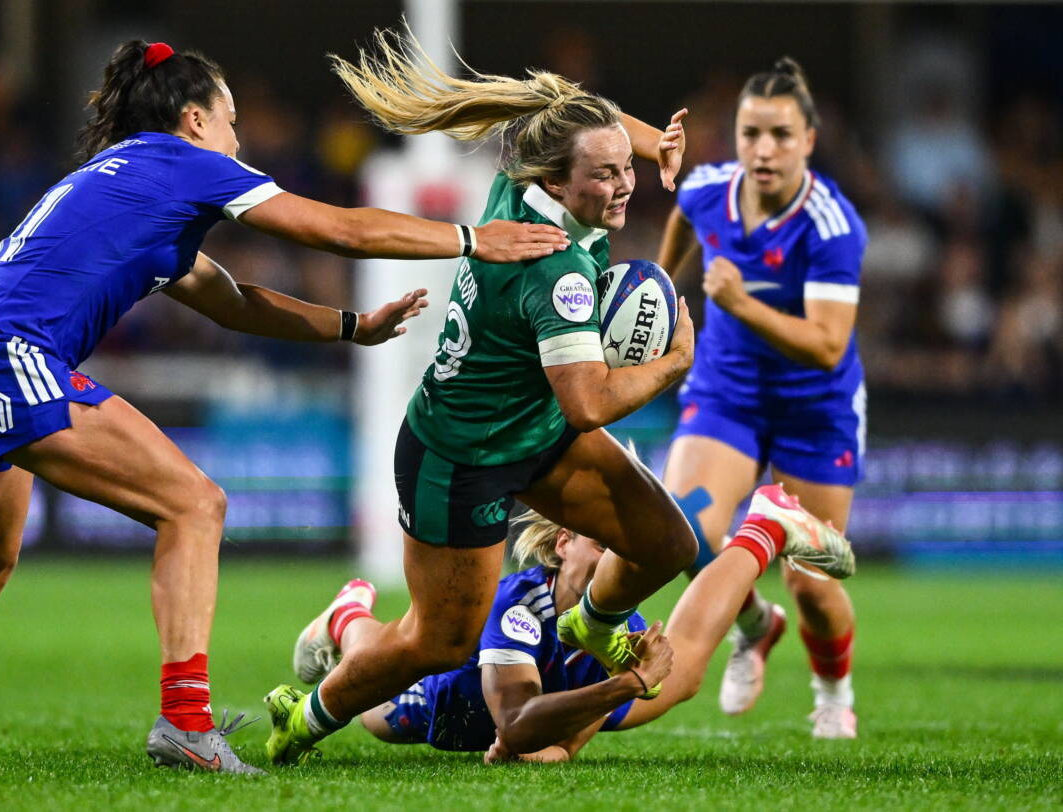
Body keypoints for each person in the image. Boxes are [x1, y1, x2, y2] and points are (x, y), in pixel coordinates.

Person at [0, 39, 570, 773]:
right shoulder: (182, 163)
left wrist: (350, 328)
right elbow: (337, 228)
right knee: (194, 505)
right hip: (4, 357)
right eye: (231, 119)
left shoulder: (126, 184)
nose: (239, 140)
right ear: (194, 120)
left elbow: (233, 303)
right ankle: (185, 722)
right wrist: (472, 239)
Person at [263, 30, 851, 766]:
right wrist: (675, 363)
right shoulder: (557, 274)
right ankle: (309, 713)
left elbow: (583, 111)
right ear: (561, 182)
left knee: (667, 543)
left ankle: (592, 624)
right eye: (603, 176)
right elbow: (590, 406)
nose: (623, 185)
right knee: (439, 638)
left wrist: (648, 145)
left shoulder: (530, 179)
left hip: (530, 432)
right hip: (461, 455)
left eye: (621, 168)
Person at [293, 482, 853, 764]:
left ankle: (766, 526)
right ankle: (348, 615)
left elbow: (557, 740)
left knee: (682, 674)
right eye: (601, 542)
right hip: (450, 700)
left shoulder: (614, 610)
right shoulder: (517, 605)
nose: (616, 558)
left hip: (564, 694)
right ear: (562, 544)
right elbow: (515, 725)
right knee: (376, 711)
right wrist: (624, 684)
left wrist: (565, 740)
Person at [657, 58, 868, 738]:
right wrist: (658, 289)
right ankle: (753, 623)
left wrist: (741, 303)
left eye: (780, 135)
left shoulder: (833, 227)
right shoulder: (707, 189)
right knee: (682, 531)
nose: (763, 150)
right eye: (751, 134)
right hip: (728, 393)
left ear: (809, 139)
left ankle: (833, 690)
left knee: (810, 578)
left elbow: (829, 344)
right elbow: (685, 222)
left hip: (815, 406)